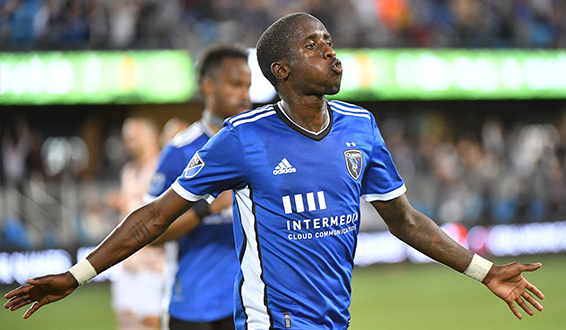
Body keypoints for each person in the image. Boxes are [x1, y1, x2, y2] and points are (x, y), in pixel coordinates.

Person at [4, 12, 544, 330]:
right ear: (281, 71)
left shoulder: (361, 127)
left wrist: (482, 270)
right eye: (314, 45)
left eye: (329, 40)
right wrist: (77, 276)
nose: (331, 52)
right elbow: (154, 217)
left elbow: (405, 221)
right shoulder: (243, 139)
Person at [146, 45, 251, 330]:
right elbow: (151, 233)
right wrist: (206, 208)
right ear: (208, 85)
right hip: (191, 306)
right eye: (235, 84)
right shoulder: (179, 151)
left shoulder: (258, 148)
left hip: (248, 304)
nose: (245, 95)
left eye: (248, 86)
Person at [105, 116, 165, 330]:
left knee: (150, 323)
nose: (128, 141)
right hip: (129, 262)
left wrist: (127, 202)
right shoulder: (128, 171)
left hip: (154, 263)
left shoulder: (163, 167)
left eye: (134, 136)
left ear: (151, 136)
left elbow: (161, 212)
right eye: (126, 137)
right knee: (126, 321)